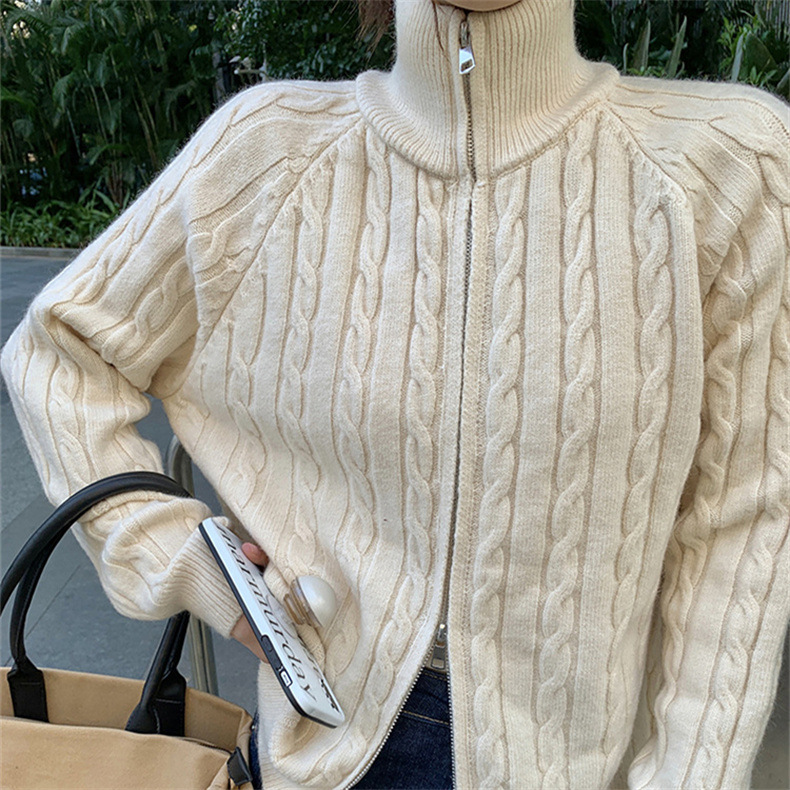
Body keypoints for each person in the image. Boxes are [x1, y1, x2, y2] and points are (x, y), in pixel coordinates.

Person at [2, 0, 788, 787]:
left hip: (581, 763)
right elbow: (60, 354)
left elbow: (745, 512)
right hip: (323, 755)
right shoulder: (266, 152)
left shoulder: (728, 166)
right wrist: (195, 566)